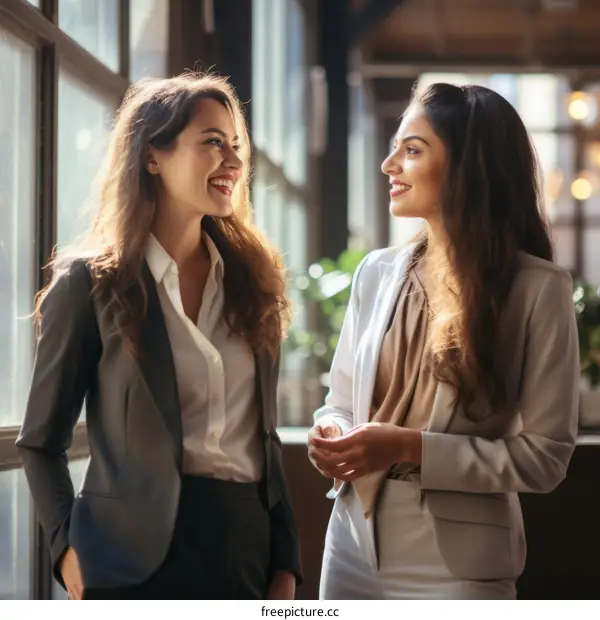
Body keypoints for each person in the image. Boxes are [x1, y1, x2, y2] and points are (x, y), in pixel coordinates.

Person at [17, 73, 301, 600]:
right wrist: (66, 553)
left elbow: (264, 439)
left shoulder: (254, 285)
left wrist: (285, 560)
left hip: (245, 556)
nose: (234, 164)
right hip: (127, 562)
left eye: (237, 147)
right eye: (213, 143)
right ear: (153, 156)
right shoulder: (90, 285)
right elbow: (40, 443)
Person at [307, 82, 579, 600]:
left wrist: (409, 447)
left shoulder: (538, 290)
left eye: (411, 150)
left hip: (458, 568)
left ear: (468, 168)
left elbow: (544, 458)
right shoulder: (375, 273)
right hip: (350, 546)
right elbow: (341, 400)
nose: (389, 165)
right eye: (395, 148)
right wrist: (334, 432)